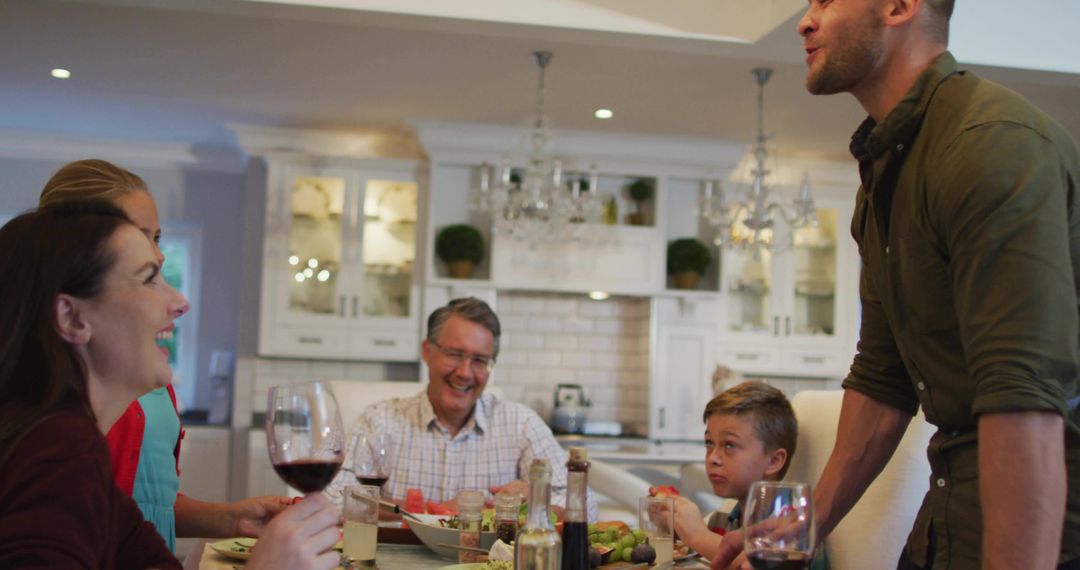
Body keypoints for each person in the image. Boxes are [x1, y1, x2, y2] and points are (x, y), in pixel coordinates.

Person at [713, 1, 1080, 569]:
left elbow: (1022, 395)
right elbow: (883, 378)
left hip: (1044, 531)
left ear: (900, 6)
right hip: (951, 513)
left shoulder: (990, 143)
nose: (804, 21)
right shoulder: (887, 171)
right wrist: (804, 528)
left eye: (827, 1)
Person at [0, 201, 341, 570]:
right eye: (149, 279)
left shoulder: (72, 448)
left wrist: (235, 528)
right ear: (72, 316)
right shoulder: (59, 452)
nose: (179, 302)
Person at [39, 159, 292, 551]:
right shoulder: (51, 405)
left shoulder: (146, 376)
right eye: (140, 238)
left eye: (157, 237)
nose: (158, 256)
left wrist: (230, 517)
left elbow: (146, 505)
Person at [326, 297, 596, 519]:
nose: (466, 373)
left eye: (480, 360)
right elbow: (330, 497)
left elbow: (585, 505)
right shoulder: (380, 420)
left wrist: (538, 497)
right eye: (455, 354)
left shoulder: (521, 423)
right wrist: (432, 512)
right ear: (427, 352)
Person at [672, 382, 827, 569]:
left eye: (729, 445)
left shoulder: (796, 525)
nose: (712, 458)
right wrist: (674, 529)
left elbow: (756, 564)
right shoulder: (722, 517)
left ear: (774, 461)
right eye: (709, 443)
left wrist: (696, 535)